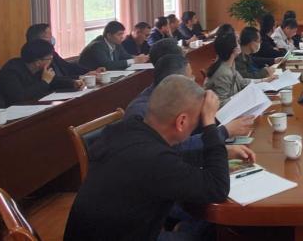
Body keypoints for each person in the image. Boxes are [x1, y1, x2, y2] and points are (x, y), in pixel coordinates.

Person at [63, 77, 250, 241]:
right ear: (182, 121)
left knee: (198, 223)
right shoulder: (156, 159)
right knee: (212, 232)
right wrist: (209, 123)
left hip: (94, 234)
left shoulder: (126, 129)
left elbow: (171, 160)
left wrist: (220, 152)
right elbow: (217, 188)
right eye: (198, 120)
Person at [125, 55, 255, 143]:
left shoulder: (174, 97)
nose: (194, 81)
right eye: (190, 77)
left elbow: (194, 130)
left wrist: (217, 118)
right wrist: (224, 132)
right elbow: (177, 147)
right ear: (176, 81)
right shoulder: (143, 110)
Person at [0, 40, 83, 106]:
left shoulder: (39, 68)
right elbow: (20, 97)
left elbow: (53, 81)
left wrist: (72, 83)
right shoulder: (11, 72)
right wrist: (44, 82)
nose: (51, 61)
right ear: (37, 62)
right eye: (49, 58)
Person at [205, 34, 273, 106]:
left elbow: (242, 82)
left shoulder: (230, 65)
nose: (240, 45)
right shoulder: (223, 72)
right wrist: (243, 97)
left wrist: (264, 80)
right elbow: (221, 103)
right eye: (238, 42)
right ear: (234, 49)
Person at [25, 23, 103, 81]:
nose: (52, 39)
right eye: (48, 36)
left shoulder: (53, 53)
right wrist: (81, 77)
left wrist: (90, 71)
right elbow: (55, 80)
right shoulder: (35, 59)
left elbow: (68, 66)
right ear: (38, 41)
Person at [79, 21, 150, 71]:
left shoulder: (116, 43)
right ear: (109, 35)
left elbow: (125, 56)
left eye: (122, 34)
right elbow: (108, 65)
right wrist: (134, 60)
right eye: (119, 34)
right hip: (87, 77)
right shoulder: (97, 45)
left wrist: (139, 58)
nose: (122, 37)